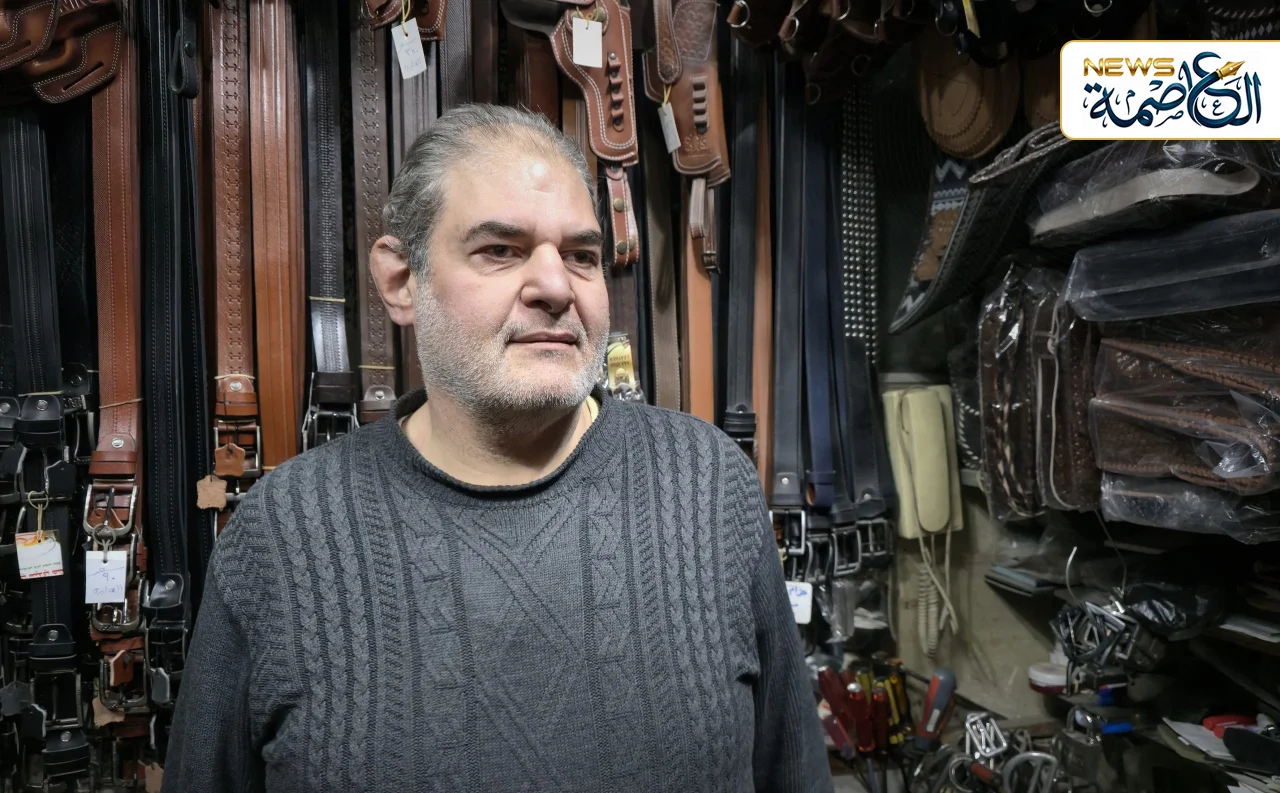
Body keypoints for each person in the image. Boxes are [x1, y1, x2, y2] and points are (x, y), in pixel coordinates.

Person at [164, 104, 832, 793]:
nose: (555, 287)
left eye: (581, 256)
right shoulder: (284, 533)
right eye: (500, 250)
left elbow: (795, 772)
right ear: (401, 281)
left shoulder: (708, 487)